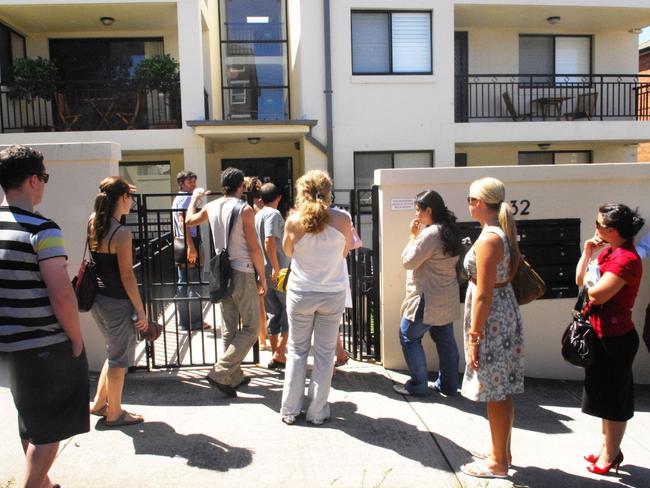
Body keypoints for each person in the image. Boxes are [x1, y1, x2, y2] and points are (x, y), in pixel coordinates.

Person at [0, 144, 89, 488]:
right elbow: (61, 293)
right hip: (46, 346)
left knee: (31, 419)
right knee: (50, 427)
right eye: (45, 177)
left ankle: (44, 484)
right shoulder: (42, 229)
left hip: (8, 347)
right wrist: (77, 339)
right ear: (34, 180)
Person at [459, 177, 524, 479]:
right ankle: (502, 452)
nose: (468, 204)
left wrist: (474, 337)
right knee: (502, 389)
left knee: (496, 391)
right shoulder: (499, 232)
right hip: (502, 313)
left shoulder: (490, 238)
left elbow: (484, 293)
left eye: (470, 199)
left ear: (479, 202)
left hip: (492, 319)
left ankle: (498, 462)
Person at [185, 167, 267, 397]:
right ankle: (221, 372)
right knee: (252, 328)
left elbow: (190, 221)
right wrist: (262, 275)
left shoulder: (211, 206)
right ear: (241, 186)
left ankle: (233, 377)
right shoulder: (245, 209)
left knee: (229, 328)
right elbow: (253, 247)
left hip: (221, 273)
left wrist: (194, 199)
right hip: (242, 271)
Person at [575, 204, 644, 475]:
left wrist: (592, 282)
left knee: (614, 400)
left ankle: (612, 453)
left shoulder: (626, 259)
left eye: (599, 224)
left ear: (612, 231)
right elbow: (581, 279)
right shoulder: (609, 252)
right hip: (600, 334)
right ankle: (606, 447)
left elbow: (596, 295)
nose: (596, 227)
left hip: (616, 338)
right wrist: (588, 253)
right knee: (603, 397)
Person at [280, 170, 352, 426]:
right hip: (332, 293)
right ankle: (317, 411)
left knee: (297, 351)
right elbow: (344, 253)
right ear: (329, 192)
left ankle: (289, 409)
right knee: (324, 353)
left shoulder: (293, 221)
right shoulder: (343, 219)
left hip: (301, 293)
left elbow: (288, 251)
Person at [88, 176, 147, 427]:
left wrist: (118, 186)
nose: (132, 201)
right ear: (123, 198)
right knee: (119, 360)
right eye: (129, 196)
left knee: (114, 353)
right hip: (116, 303)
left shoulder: (93, 222)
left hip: (97, 301)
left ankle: (100, 404)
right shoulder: (122, 233)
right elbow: (127, 275)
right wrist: (140, 309)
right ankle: (115, 413)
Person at [392, 190, 461, 397]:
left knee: (408, 336)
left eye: (418, 210)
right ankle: (449, 385)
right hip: (447, 295)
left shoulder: (431, 234)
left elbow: (409, 261)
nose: (416, 215)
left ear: (428, 210)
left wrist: (413, 237)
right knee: (444, 339)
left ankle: (418, 385)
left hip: (427, 297)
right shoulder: (450, 230)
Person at [255, 182, 290, 369]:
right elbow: (270, 239)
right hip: (279, 271)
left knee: (273, 312)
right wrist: (277, 268)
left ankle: (277, 353)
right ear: (278, 198)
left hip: (262, 270)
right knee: (289, 310)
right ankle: (280, 352)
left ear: (261, 199)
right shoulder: (273, 214)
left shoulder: (257, 215)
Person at [172, 170, 210, 331]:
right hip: (189, 243)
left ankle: (184, 322)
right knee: (194, 284)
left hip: (180, 243)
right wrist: (191, 247)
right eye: (190, 182)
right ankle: (195, 322)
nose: (193, 184)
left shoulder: (180, 198)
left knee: (183, 284)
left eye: (194, 181)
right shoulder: (186, 199)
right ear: (181, 183)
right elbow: (184, 222)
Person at [245, 176, 270, 351]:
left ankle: (258, 338)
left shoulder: (243, 209)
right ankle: (262, 338)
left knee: (249, 303)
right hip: (259, 257)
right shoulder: (259, 209)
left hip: (244, 258)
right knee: (261, 301)